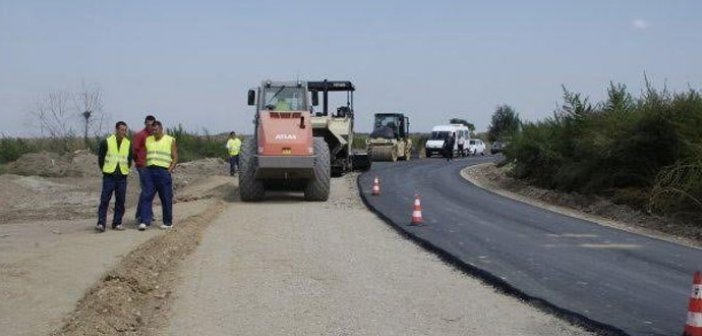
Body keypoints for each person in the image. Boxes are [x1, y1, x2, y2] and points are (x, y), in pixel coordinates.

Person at [138, 121, 178, 230]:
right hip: (150, 172)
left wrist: (169, 170)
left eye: (156, 129)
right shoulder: (148, 140)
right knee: (146, 196)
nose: (154, 131)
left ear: (161, 129)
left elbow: (175, 157)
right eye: (152, 130)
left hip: (163, 172)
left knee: (166, 198)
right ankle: (144, 221)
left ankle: (167, 222)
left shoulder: (170, 140)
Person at [96, 121, 132, 232]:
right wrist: (105, 170)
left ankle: (117, 223)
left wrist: (125, 169)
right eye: (121, 129)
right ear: (116, 130)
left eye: (125, 130)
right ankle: (101, 223)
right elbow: (101, 159)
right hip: (109, 175)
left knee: (120, 201)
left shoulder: (128, 143)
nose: (123, 132)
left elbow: (129, 160)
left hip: (122, 176)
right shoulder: (106, 142)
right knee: (105, 200)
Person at [132, 115, 156, 223]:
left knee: (148, 191)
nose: (150, 126)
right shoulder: (140, 135)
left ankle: (142, 213)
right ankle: (144, 215)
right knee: (147, 190)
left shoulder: (155, 136)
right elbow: (134, 150)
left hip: (152, 166)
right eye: (148, 124)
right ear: (145, 124)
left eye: (152, 124)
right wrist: (139, 162)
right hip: (143, 166)